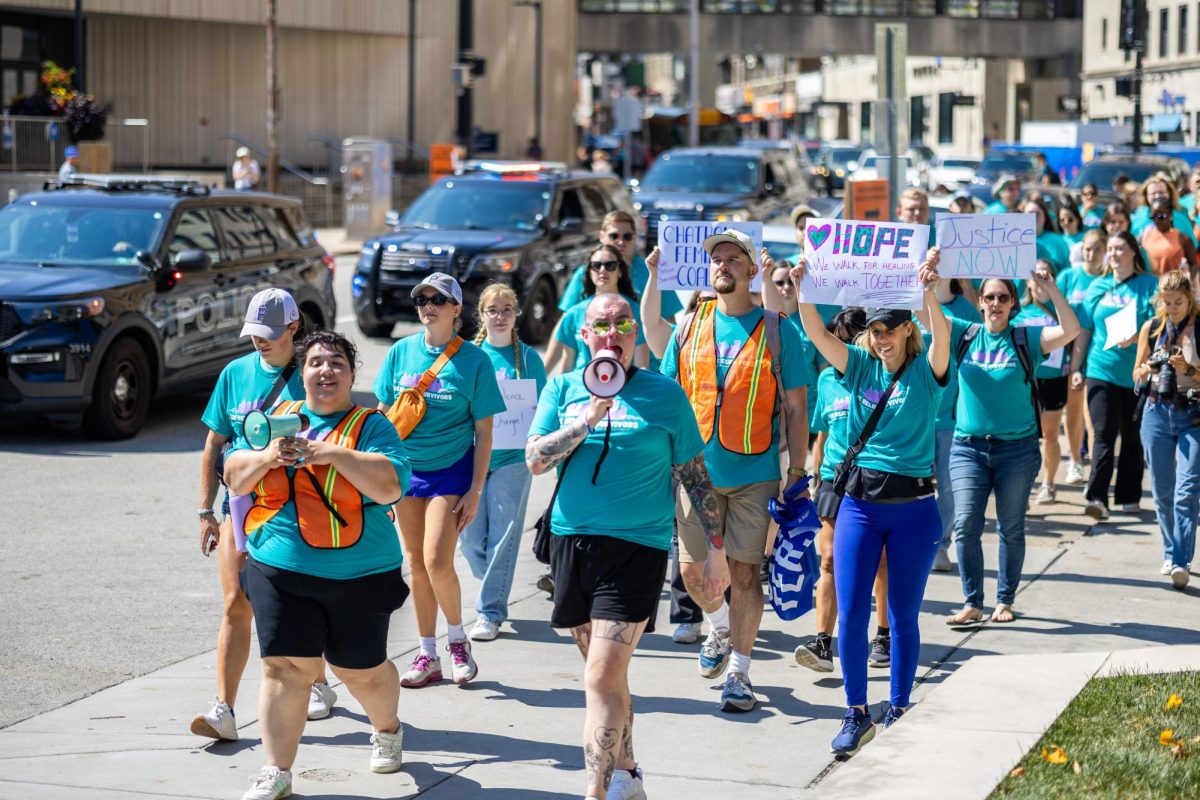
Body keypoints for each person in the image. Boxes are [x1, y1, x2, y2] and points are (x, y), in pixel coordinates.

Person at [526, 293, 730, 800]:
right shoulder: (562, 388)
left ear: (634, 335)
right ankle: (629, 771)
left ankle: (593, 792)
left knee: (599, 676)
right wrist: (588, 419)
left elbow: (696, 477)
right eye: (602, 325)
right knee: (607, 680)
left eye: (622, 325)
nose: (612, 334)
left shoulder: (665, 395)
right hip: (572, 547)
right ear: (584, 333)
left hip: (637, 549)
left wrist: (716, 552)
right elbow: (535, 460)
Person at [225, 330, 411, 800]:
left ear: (351, 375)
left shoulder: (372, 426)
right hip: (280, 566)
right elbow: (233, 475)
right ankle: (277, 771)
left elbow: (391, 486)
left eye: (336, 364)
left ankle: (386, 728)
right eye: (315, 362)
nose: (325, 371)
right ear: (302, 371)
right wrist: (267, 457)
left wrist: (331, 453)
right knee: (286, 668)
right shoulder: (275, 419)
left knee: (360, 669)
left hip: (361, 574)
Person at [791, 252, 949, 758]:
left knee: (903, 615)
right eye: (874, 330)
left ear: (906, 331)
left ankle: (899, 708)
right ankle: (856, 711)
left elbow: (943, 339)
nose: (880, 338)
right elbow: (817, 334)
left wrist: (928, 293)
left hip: (916, 508)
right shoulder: (858, 366)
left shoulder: (926, 370)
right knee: (853, 610)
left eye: (889, 330)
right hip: (860, 504)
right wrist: (803, 287)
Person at [661, 230, 810, 714]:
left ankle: (740, 673)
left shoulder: (777, 328)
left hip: (755, 472)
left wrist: (798, 470)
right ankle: (720, 626)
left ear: (752, 270)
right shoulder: (689, 326)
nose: (722, 265)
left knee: (746, 575)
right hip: (694, 474)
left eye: (733, 258)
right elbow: (666, 398)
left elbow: (795, 407)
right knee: (693, 574)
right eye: (716, 259)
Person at [192, 289, 340, 742]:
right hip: (240, 503)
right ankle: (223, 709)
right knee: (237, 604)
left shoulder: (313, 376)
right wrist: (205, 511)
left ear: (294, 329)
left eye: (269, 334)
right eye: (254, 333)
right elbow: (214, 444)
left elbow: (341, 439)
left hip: (297, 509)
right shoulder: (235, 373)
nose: (259, 342)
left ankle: (316, 680)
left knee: (297, 604)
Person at [374, 273, 505, 687]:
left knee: (436, 560)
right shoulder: (400, 352)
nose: (427, 305)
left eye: (438, 299)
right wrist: (376, 476)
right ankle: (427, 654)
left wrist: (476, 489)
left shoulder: (475, 360)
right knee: (414, 564)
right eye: (421, 299)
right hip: (405, 470)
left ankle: (457, 641)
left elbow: (485, 431)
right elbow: (380, 415)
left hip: (451, 471)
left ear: (455, 309)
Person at [943, 268, 1080, 627]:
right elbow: (925, 316)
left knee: (1010, 527)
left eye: (1003, 297)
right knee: (966, 523)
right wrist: (929, 283)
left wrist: (1050, 288)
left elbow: (1071, 330)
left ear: (1013, 303)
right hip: (968, 448)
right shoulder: (963, 332)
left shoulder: (1026, 338)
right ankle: (972, 602)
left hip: (1016, 450)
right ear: (980, 301)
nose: (996, 304)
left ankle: (1005, 600)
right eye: (989, 297)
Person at [794, 308, 891, 675]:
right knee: (830, 560)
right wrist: (814, 475)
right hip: (835, 479)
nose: (844, 345)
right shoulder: (825, 379)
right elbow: (823, 433)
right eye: (837, 338)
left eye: (852, 338)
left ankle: (882, 634)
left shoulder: (882, 375)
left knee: (880, 561)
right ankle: (822, 642)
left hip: (876, 477)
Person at [459, 284, 548, 641]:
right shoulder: (469, 355)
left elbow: (542, 408)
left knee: (502, 538)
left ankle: (490, 612)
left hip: (512, 459)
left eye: (506, 309)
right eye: (492, 310)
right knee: (469, 538)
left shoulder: (529, 360)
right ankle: (494, 584)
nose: (499, 316)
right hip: (470, 457)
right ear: (481, 315)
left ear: (516, 314)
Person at [1073, 232, 1160, 520]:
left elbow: (1159, 329)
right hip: (1101, 370)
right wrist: (1076, 367)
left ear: (1134, 252)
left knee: (1133, 438)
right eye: (1110, 248)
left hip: (1137, 373)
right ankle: (1097, 496)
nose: (1113, 253)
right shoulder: (1098, 287)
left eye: (1119, 248)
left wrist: (1137, 339)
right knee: (1103, 433)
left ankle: (1129, 495)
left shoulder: (1149, 285)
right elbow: (1085, 330)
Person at [1133, 271, 1200, 590]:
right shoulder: (1153, 328)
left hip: (1192, 413)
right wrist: (1146, 371)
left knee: (1187, 489)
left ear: (1190, 298)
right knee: (1162, 490)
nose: (1172, 308)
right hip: (1156, 410)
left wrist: (1187, 370)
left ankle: (1180, 560)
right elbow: (1135, 373)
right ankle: (1171, 549)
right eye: (1167, 302)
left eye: (1178, 302)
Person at [557, 210, 683, 329]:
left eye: (627, 236)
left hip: (642, 348)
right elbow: (566, 323)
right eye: (614, 236)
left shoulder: (653, 270)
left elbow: (669, 320)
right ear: (602, 236)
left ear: (634, 237)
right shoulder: (587, 271)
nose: (621, 242)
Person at [1016, 261, 1076, 505]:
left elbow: (1074, 333)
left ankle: (1048, 483)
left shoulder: (1059, 310)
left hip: (1053, 379)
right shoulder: (1018, 311)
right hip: (1024, 382)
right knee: (1026, 437)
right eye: (1035, 274)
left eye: (1045, 274)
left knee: (1050, 435)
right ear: (1027, 281)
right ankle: (1023, 489)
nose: (1039, 278)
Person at [547, 244, 649, 374]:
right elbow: (567, 367)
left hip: (626, 385)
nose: (602, 270)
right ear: (589, 271)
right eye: (596, 265)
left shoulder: (636, 312)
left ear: (620, 271)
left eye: (610, 265)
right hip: (582, 386)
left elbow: (642, 365)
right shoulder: (574, 314)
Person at [1059, 229, 1107, 483]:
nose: (1091, 254)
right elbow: (1052, 307)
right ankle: (1075, 461)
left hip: (1098, 352)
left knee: (1095, 415)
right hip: (1069, 353)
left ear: (1105, 251)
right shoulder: (1069, 276)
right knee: (1074, 409)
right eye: (1088, 249)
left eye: (1097, 249)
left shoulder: (1109, 279)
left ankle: (1096, 468)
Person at [1130, 172, 1197, 246]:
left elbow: (1193, 247)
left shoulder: (1181, 219)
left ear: (1169, 194)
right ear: (1146, 196)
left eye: (1161, 192)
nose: (1157, 196)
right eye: (1153, 193)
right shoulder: (1138, 220)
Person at [1140, 197, 1198, 279]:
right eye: (1153, 216)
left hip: (1175, 288)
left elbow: (1193, 265)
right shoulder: (1145, 236)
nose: (1157, 220)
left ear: (1170, 216)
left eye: (1161, 216)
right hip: (1152, 288)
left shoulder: (1183, 238)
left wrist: (1190, 284)